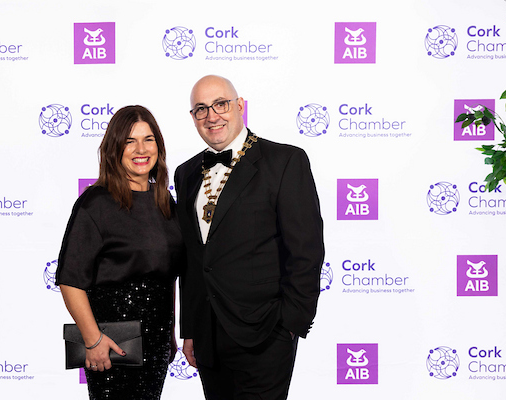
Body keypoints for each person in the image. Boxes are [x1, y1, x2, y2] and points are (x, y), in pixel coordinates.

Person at [174, 75, 325, 400]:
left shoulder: (284, 161)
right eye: (201, 109)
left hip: (266, 334)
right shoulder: (185, 173)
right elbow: (193, 260)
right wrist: (191, 329)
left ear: (240, 106)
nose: (211, 116)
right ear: (193, 117)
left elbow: (306, 250)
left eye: (220, 104)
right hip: (208, 337)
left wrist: (290, 324)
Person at [56, 105, 184, 400]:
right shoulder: (96, 203)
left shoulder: (166, 203)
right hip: (111, 344)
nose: (141, 149)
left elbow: (168, 276)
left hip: (157, 342)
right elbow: (70, 280)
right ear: (115, 149)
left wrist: (170, 334)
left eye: (148, 139)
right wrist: (92, 339)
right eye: (130, 141)